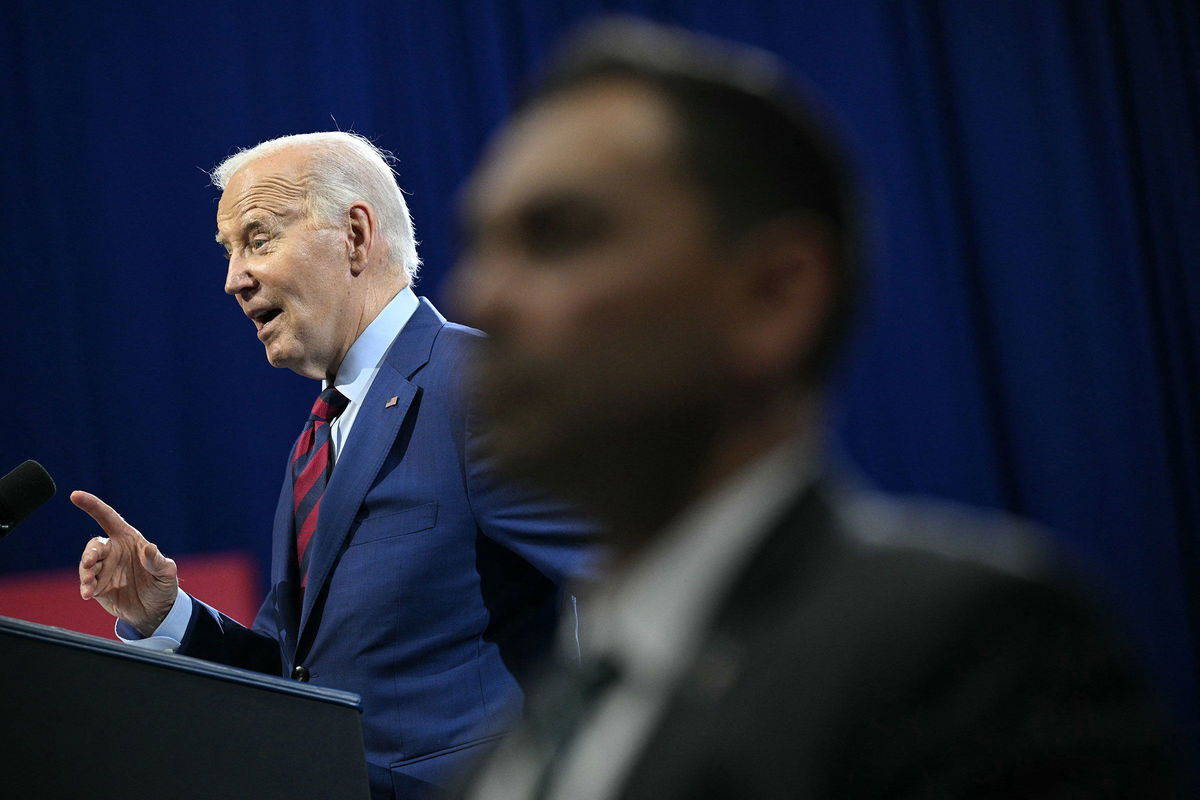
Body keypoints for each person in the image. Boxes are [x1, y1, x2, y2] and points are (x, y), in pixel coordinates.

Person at [451, 19, 1177, 799]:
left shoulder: (964, 654)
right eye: (480, 244)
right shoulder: (514, 755)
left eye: (557, 237)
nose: (481, 297)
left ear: (775, 297)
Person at [73, 131, 595, 800]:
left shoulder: (482, 384)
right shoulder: (318, 441)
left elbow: (642, 580)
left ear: (354, 234)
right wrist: (167, 614)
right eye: (230, 251)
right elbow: (296, 674)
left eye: (259, 239)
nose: (234, 278)